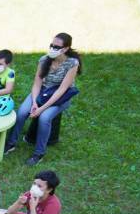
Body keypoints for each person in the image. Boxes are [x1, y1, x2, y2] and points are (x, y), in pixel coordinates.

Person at [5, 32, 82, 165]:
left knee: (45, 118)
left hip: (59, 96)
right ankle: (11, 143)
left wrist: (41, 109)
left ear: (66, 49)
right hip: (41, 93)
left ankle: (39, 153)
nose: (53, 48)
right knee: (22, 112)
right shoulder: (43, 60)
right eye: (51, 45)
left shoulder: (72, 63)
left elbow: (62, 90)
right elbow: (36, 84)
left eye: (57, 47)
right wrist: (35, 102)